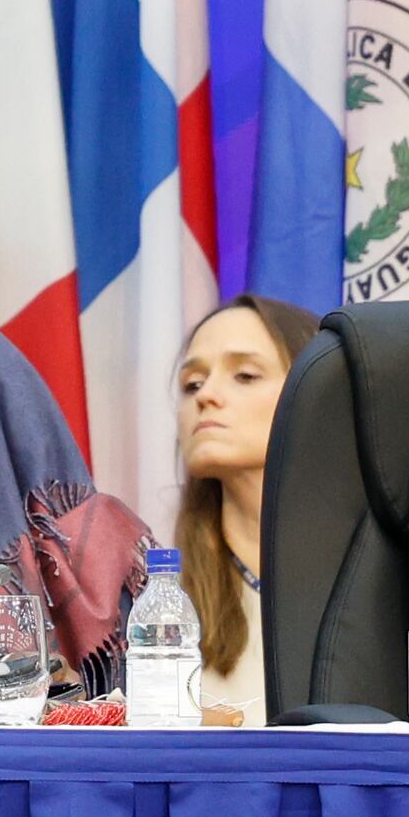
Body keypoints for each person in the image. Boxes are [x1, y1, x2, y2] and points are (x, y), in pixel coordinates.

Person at [167, 293, 319, 728]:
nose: (207, 396)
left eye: (245, 375)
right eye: (192, 384)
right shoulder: (153, 592)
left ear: (317, 394)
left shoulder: (383, 579)